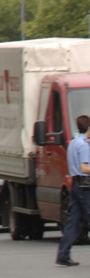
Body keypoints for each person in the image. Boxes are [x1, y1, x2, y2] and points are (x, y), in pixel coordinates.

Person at [59, 114, 90, 266]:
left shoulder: (73, 143)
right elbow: (84, 167)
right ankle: (63, 255)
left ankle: (63, 255)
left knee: (74, 222)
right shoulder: (84, 145)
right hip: (85, 186)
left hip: (76, 185)